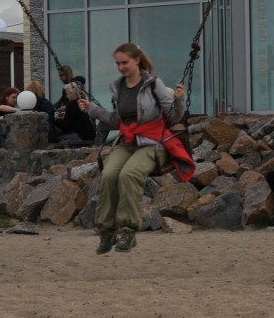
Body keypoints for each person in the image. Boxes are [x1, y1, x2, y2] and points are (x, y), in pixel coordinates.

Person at [79, 42, 194, 254]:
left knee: (129, 175)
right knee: (109, 175)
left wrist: (179, 101)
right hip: (127, 141)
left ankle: (127, 231)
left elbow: (173, 117)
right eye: (118, 63)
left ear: (137, 60)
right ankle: (107, 231)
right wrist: (91, 109)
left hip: (153, 142)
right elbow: (116, 120)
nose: (121, 67)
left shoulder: (153, 84)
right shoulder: (118, 87)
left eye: (125, 62)